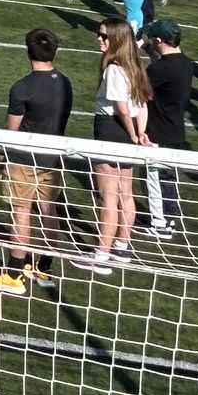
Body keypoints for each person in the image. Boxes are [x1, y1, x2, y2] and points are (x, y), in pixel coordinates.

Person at [0, 28, 75, 296]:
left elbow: (11, 129)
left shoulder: (23, 87)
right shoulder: (65, 82)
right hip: (53, 157)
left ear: (28, 51)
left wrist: (0, 154)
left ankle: (14, 274)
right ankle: (43, 266)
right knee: (48, 210)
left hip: (23, 159)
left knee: (21, 213)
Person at [71, 20, 152, 274]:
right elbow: (142, 106)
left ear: (115, 40)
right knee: (125, 192)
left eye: (104, 36)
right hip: (126, 132)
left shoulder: (114, 69)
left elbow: (122, 108)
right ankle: (122, 247)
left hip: (111, 130)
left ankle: (102, 254)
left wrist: (133, 134)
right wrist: (140, 133)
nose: (99, 39)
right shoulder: (135, 67)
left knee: (108, 196)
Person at [140, 19, 193, 237]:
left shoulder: (161, 68)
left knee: (155, 180)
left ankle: (161, 224)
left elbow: (139, 86)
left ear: (158, 40)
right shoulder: (185, 63)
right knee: (168, 179)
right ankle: (168, 219)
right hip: (174, 129)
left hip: (158, 130)